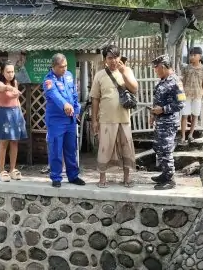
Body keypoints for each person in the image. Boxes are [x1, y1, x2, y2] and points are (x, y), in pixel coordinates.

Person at [90, 44, 138, 188]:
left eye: (116, 57)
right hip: (106, 118)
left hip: (124, 119)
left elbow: (134, 88)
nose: (113, 61)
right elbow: (95, 99)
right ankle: (102, 178)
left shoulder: (127, 70)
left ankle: (127, 177)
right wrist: (94, 120)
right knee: (105, 148)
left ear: (120, 57)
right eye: (110, 58)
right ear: (105, 59)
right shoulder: (99, 75)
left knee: (126, 148)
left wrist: (123, 71)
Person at [43, 53, 86, 188]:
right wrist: (64, 105)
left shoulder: (68, 76)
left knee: (71, 148)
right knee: (56, 148)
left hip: (70, 119)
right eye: (61, 67)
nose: (64, 69)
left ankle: (73, 176)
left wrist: (77, 109)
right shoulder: (48, 81)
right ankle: (56, 177)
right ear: (54, 66)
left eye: (66, 66)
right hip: (56, 121)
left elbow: (73, 94)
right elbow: (54, 96)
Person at [150, 54, 185, 190]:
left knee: (166, 150)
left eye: (156, 68)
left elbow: (181, 103)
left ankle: (170, 179)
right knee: (159, 148)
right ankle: (165, 174)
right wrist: (153, 114)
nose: (155, 70)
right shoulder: (163, 81)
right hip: (160, 122)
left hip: (169, 123)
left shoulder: (175, 82)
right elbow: (158, 99)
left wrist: (163, 110)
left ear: (163, 67)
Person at [0, 60, 28, 182]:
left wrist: (21, 114)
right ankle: (2, 170)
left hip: (15, 113)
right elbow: (2, 88)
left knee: (14, 142)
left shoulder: (15, 82)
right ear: (2, 72)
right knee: (4, 143)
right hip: (4, 113)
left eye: (12, 71)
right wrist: (10, 87)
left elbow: (17, 100)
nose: (10, 74)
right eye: (8, 72)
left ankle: (12, 169)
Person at [180, 47, 203, 142]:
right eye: (191, 55)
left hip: (197, 94)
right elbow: (183, 81)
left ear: (200, 56)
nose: (191, 57)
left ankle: (191, 135)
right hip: (186, 94)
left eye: (194, 55)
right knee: (184, 115)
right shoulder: (186, 68)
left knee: (195, 115)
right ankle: (183, 136)